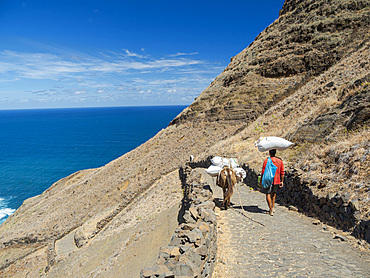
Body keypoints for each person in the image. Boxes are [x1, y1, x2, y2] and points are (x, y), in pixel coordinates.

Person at [259, 149, 284, 216]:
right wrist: (282, 181)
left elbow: (263, 171)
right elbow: (282, 172)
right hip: (277, 180)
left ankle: (270, 210)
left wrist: (261, 180)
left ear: (269, 153)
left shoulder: (267, 160)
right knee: (274, 194)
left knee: (268, 194)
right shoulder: (280, 161)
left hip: (268, 180)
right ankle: (272, 207)